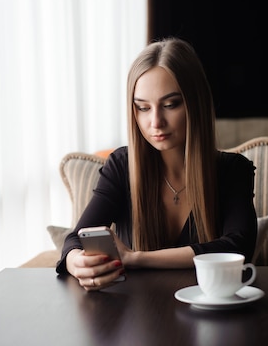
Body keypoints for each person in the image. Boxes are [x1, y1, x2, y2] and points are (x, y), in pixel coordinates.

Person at [56, 37, 257, 290]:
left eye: (170, 105)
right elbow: (75, 239)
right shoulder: (121, 165)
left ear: (196, 103)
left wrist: (136, 258)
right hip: (139, 316)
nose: (155, 122)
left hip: (209, 313)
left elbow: (238, 247)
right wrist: (76, 261)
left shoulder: (232, 170)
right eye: (142, 108)